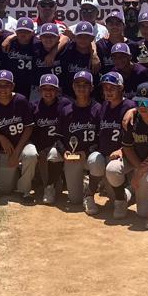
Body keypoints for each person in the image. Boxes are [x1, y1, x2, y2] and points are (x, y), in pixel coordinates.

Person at [106, 83, 148, 229]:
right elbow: (128, 148)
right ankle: (122, 198)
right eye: (138, 102)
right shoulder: (131, 119)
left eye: (146, 102)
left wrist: (139, 173)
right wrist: (139, 168)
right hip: (138, 161)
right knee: (112, 168)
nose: (142, 106)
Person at [0, 70, 38, 202]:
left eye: (7, 85)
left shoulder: (21, 100)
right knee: (5, 189)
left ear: (13, 86)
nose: (3, 89)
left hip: (22, 145)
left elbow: (29, 127)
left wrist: (17, 153)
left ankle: (24, 190)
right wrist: (1, 138)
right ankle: (16, 172)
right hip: (5, 150)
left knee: (31, 154)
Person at [90, 72, 134, 213]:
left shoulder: (129, 106)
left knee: (113, 170)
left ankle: (122, 199)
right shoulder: (104, 106)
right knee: (94, 160)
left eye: (112, 88)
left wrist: (123, 149)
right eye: (105, 88)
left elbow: (137, 135)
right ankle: (88, 195)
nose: (108, 91)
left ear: (121, 88)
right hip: (106, 156)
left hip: (125, 157)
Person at [59, 71, 102, 210]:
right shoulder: (66, 110)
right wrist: (63, 151)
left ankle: (91, 190)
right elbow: (58, 137)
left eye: (85, 84)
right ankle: (84, 183)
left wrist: (87, 152)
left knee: (97, 161)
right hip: (72, 157)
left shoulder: (98, 109)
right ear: (72, 86)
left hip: (91, 156)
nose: (81, 87)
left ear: (91, 88)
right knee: (75, 199)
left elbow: (103, 138)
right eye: (78, 84)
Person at [29, 74, 68, 204]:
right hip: (43, 148)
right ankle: (47, 180)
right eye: (44, 89)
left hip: (61, 147)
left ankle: (65, 178)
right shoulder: (34, 106)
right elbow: (32, 133)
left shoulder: (65, 104)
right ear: (39, 91)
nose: (48, 92)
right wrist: (40, 150)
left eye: (51, 89)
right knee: (54, 187)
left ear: (57, 91)